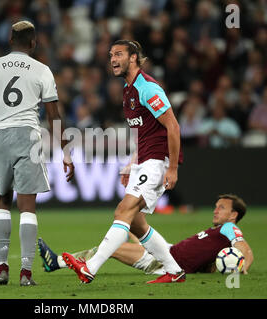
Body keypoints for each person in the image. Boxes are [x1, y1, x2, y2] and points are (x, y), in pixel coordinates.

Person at [0, 21, 74, 287]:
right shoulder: (42, 70)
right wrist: (66, 152)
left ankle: (1, 269)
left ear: (10, 40)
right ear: (33, 43)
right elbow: (54, 115)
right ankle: (25, 274)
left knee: (2, 201)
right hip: (28, 136)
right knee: (27, 206)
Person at [62, 40, 185, 284]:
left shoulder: (148, 88)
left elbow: (173, 125)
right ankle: (174, 270)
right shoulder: (128, 90)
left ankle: (90, 267)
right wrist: (132, 162)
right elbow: (144, 132)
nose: (113, 59)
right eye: (110, 55)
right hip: (145, 160)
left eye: (118, 54)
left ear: (133, 58)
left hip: (158, 161)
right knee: (136, 223)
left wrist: (172, 167)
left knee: (123, 211)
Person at [40, 194, 254, 278]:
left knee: (113, 247)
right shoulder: (217, 233)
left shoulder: (229, 229)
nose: (216, 210)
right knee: (133, 225)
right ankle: (58, 261)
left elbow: (244, 247)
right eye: (216, 206)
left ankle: (57, 262)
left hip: (166, 261)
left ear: (233, 215)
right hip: (168, 251)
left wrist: (243, 265)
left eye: (222, 208)